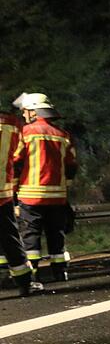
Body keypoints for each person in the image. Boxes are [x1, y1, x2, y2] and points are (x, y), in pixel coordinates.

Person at [14, 93, 77, 282]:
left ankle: (32, 272)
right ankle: (60, 271)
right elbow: (71, 166)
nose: (24, 115)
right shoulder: (63, 135)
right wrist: (64, 189)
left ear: (33, 111)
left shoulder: (25, 133)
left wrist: (13, 190)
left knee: (30, 234)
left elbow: (16, 161)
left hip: (30, 195)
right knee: (56, 233)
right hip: (57, 197)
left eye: (26, 111)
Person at [1, 104, 39, 296]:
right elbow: (17, 155)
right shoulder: (12, 124)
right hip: (2, 193)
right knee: (10, 239)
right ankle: (25, 283)